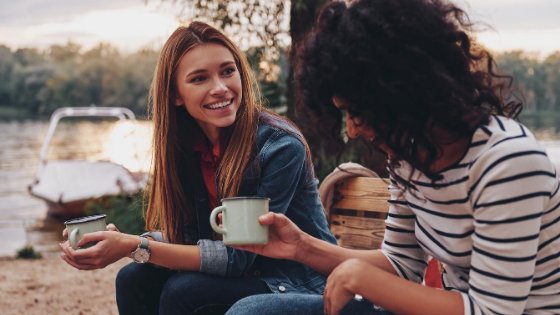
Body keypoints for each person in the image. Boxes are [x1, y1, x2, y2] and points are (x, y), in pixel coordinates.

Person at [225, 0, 560, 314]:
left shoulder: (509, 163)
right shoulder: (410, 158)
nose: (353, 130)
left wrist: (361, 278)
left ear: (404, 93)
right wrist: (302, 248)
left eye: (357, 112)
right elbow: (401, 264)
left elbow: (493, 311)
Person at [59, 21, 336, 315]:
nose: (220, 88)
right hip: (249, 276)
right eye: (199, 78)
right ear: (176, 95)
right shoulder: (188, 147)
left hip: (298, 283)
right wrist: (120, 241)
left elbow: (237, 258)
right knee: (133, 279)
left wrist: (131, 246)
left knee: (186, 292)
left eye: (228, 71)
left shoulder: (280, 147)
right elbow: (190, 240)